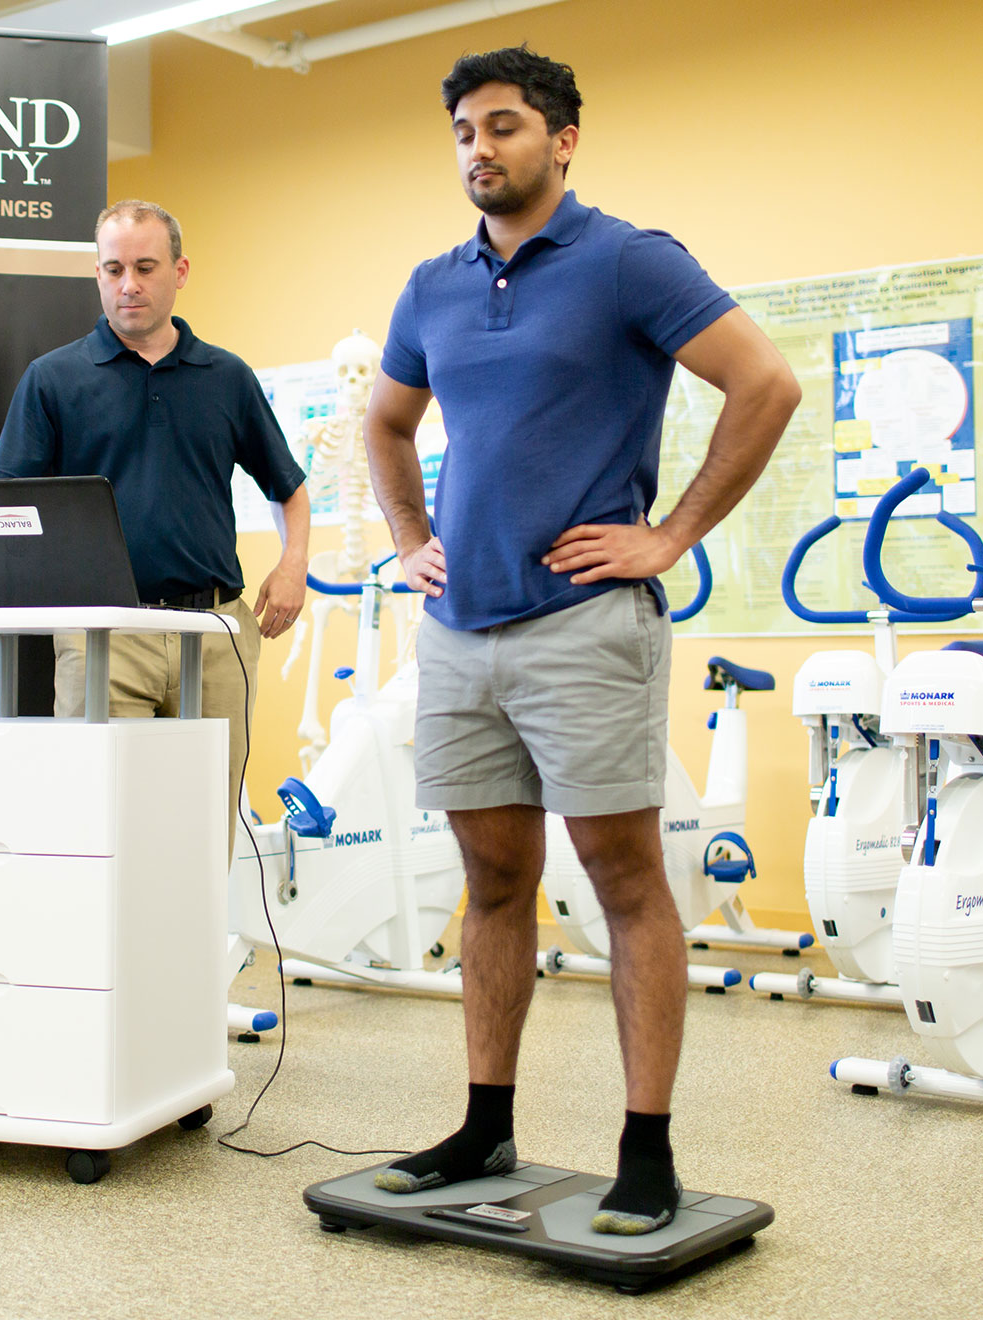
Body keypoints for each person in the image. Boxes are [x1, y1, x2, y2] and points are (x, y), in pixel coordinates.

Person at [361, 48, 799, 1235]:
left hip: (583, 626)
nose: (477, 149)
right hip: (459, 629)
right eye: (462, 132)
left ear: (561, 141)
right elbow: (388, 424)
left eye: (502, 127)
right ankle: (483, 1122)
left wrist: (670, 535)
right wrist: (410, 534)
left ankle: (644, 1146)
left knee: (622, 879)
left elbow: (763, 383)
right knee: (493, 880)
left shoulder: (626, 261)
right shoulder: (432, 285)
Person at [0, 200, 310, 839]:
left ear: (180, 272)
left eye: (146, 267)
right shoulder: (53, 380)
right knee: (99, 829)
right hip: (103, 636)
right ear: (97, 274)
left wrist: (293, 566)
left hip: (217, 632)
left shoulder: (227, 377)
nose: (130, 284)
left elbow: (289, 487)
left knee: (206, 834)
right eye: (114, 268)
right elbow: (1, 506)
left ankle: (190, 945)